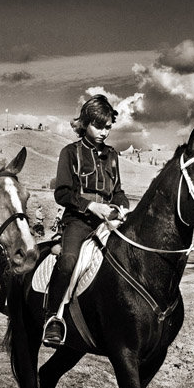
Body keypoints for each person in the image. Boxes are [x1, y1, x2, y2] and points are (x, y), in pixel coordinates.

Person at [42, 95, 129, 347]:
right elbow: (62, 193)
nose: (104, 132)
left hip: (109, 222)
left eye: (108, 127)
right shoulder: (70, 153)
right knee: (68, 261)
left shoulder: (112, 155)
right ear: (85, 123)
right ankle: (53, 319)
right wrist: (92, 206)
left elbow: (119, 191)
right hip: (79, 221)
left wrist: (122, 207)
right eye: (98, 126)